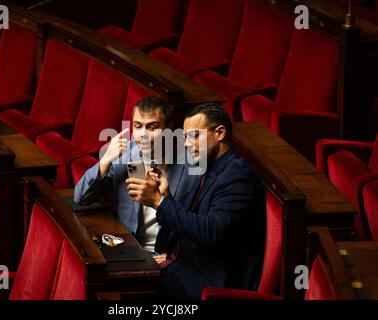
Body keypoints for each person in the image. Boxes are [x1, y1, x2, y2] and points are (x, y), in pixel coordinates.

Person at [126, 103, 266, 299]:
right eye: (184, 137)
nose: (186, 144)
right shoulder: (210, 168)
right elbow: (192, 222)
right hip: (184, 267)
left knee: (126, 292)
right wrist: (166, 198)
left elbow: (211, 232)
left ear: (220, 133)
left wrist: (159, 202)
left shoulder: (239, 177)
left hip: (208, 283)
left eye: (193, 136)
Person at [74, 96, 198, 256]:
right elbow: (81, 198)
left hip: (170, 254)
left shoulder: (189, 162)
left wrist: (172, 256)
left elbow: (194, 222)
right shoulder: (125, 156)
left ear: (168, 129)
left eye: (152, 127)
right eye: (138, 126)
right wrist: (105, 161)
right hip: (128, 249)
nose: (143, 135)